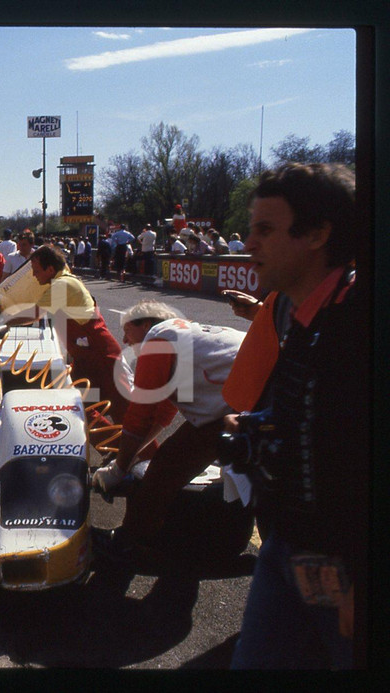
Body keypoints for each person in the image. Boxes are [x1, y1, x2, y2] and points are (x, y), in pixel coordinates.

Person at [227, 163, 364, 670]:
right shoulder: (298, 311)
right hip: (286, 546)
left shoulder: (358, 320)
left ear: (317, 234)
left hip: (344, 567)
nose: (248, 245)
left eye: (265, 230)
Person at [90, 301, 245, 565]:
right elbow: (163, 414)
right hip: (246, 399)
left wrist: (119, 469)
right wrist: (126, 461)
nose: (125, 340)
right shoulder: (181, 337)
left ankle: (129, 544)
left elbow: (140, 418)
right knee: (172, 463)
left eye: (128, 331)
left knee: (162, 471)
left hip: (241, 404)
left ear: (147, 325)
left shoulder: (159, 340)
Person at [10, 245, 131, 424]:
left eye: (36, 271)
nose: (34, 276)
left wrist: (1, 318)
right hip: (84, 358)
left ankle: (145, 452)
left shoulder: (62, 284)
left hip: (103, 357)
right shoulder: (61, 276)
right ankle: (114, 447)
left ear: (50, 269)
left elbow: (34, 314)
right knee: (73, 407)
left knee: (126, 415)